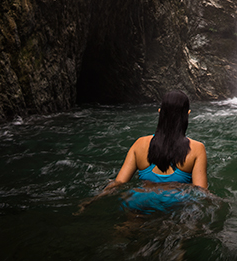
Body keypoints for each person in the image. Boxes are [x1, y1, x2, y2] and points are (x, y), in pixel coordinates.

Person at [79, 90, 207, 214]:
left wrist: (92, 200)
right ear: (188, 114)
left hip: (140, 199)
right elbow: (201, 192)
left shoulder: (140, 144)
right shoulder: (197, 148)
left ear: (160, 112)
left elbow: (119, 183)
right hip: (177, 202)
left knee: (127, 230)